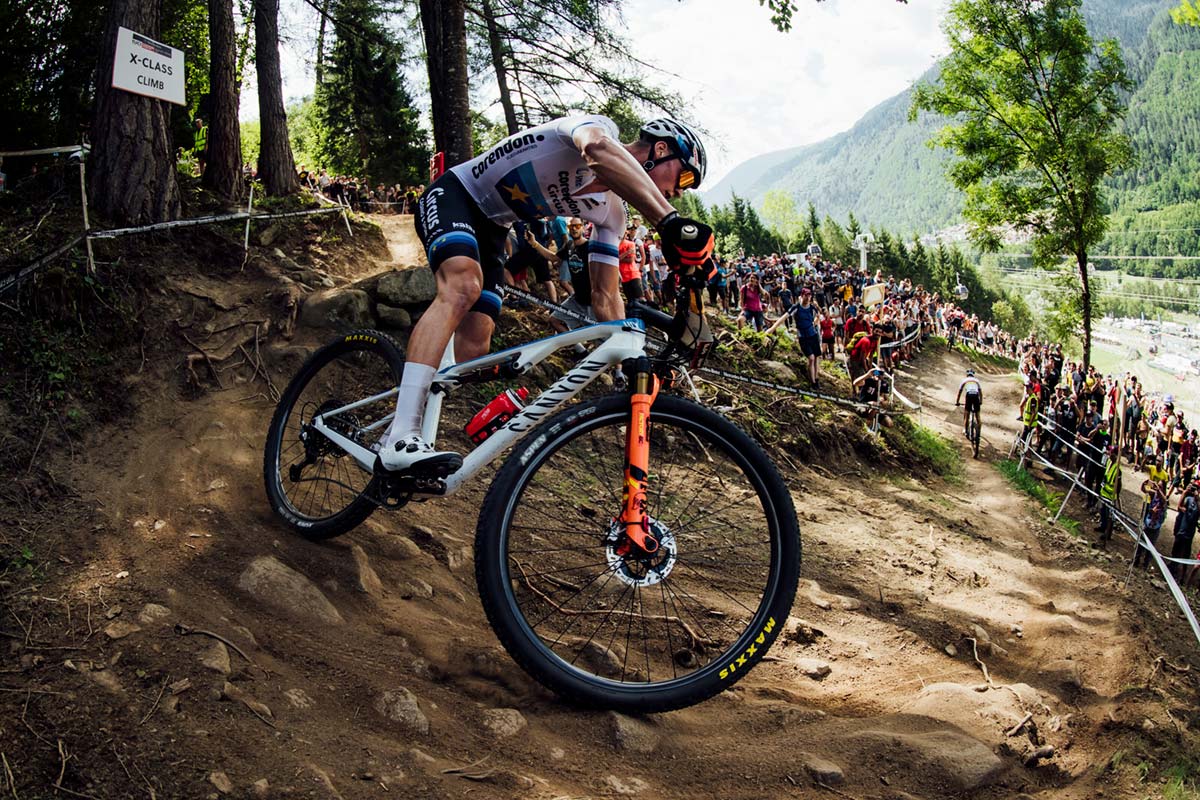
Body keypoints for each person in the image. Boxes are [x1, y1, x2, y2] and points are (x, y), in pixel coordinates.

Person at [377, 115, 712, 474]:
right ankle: (402, 434)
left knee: (472, 350)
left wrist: (630, 363)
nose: (681, 190)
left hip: (494, 226)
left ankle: (399, 412)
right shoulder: (598, 130)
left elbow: (604, 296)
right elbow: (597, 150)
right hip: (457, 194)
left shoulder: (612, 214)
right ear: (660, 149)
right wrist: (669, 220)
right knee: (463, 287)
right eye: (686, 177)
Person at [766, 287, 821, 386]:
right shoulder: (796, 307)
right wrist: (772, 328)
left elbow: (818, 315)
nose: (807, 298)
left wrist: (815, 322)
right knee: (811, 358)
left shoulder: (812, 307)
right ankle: (812, 381)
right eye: (806, 295)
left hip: (813, 334)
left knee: (816, 357)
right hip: (803, 336)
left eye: (809, 296)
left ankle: (816, 379)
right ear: (801, 296)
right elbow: (784, 317)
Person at [1170, 481, 1199, 581]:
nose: (1194, 490)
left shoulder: (1199, 503)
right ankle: (1172, 569)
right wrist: (1184, 492)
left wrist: (1198, 499)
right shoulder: (1188, 499)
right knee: (1176, 551)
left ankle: (1182, 576)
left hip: (1189, 534)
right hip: (1182, 531)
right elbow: (1179, 507)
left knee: (1186, 554)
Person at [1094, 444, 1122, 549]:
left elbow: (1118, 485)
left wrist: (1116, 495)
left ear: (1115, 454)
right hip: (1104, 492)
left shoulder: (1118, 469)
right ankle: (1102, 526)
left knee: (1109, 515)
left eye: (1111, 452)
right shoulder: (1109, 462)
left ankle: (1108, 533)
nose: (1109, 453)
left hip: (1110, 495)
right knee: (1103, 512)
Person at [955, 368, 983, 439]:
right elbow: (980, 392)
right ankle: (978, 433)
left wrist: (957, 402)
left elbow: (960, 392)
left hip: (969, 395)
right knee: (978, 416)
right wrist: (981, 401)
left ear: (967, 375)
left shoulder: (964, 380)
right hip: (976, 395)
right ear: (973, 375)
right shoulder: (977, 381)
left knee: (966, 414)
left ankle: (966, 430)